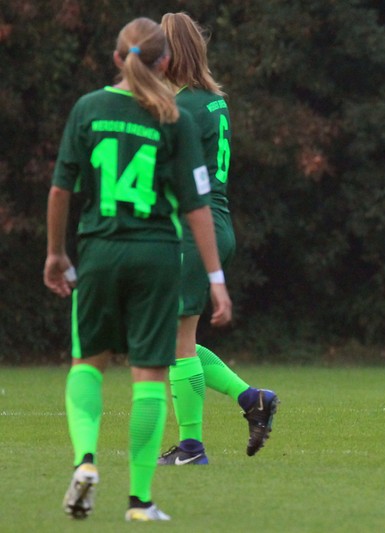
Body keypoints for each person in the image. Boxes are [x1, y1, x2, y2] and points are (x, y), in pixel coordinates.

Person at [44, 17, 232, 521]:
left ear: (116, 58)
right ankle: (140, 501)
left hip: (100, 251)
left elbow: (61, 189)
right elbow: (196, 205)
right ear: (164, 62)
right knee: (149, 374)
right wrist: (216, 279)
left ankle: (86, 460)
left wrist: (56, 254)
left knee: (88, 363)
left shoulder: (89, 108)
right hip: (156, 256)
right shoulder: (175, 117)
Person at [155, 12, 278, 467]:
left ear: (170, 54)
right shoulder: (212, 101)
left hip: (192, 230)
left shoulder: (182, 108)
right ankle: (252, 399)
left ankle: (191, 447)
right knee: (176, 339)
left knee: (177, 342)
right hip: (214, 224)